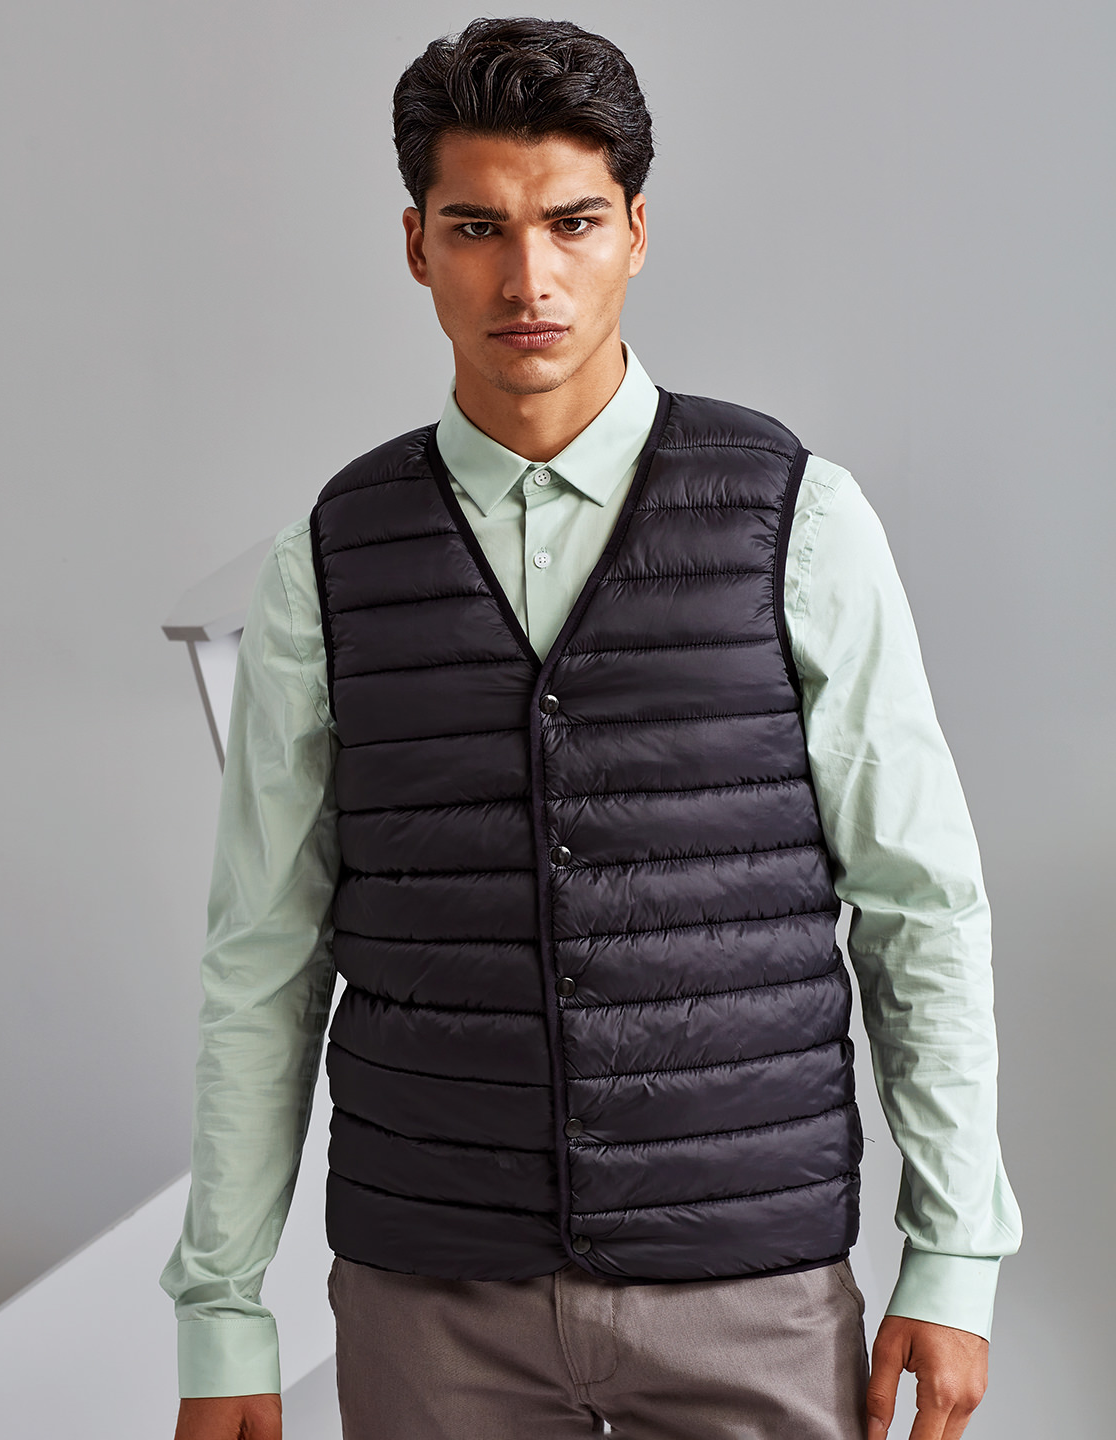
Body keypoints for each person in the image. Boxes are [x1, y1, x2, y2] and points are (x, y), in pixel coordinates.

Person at [162, 16, 1022, 1440]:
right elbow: (265, 952)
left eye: (571, 222)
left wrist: (954, 1255)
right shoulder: (327, 558)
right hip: (433, 1299)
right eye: (477, 229)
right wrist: (221, 1313)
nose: (529, 278)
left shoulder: (797, 518)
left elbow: (919, 904)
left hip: (748, 1283)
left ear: (635, 231)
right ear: (416, 245)